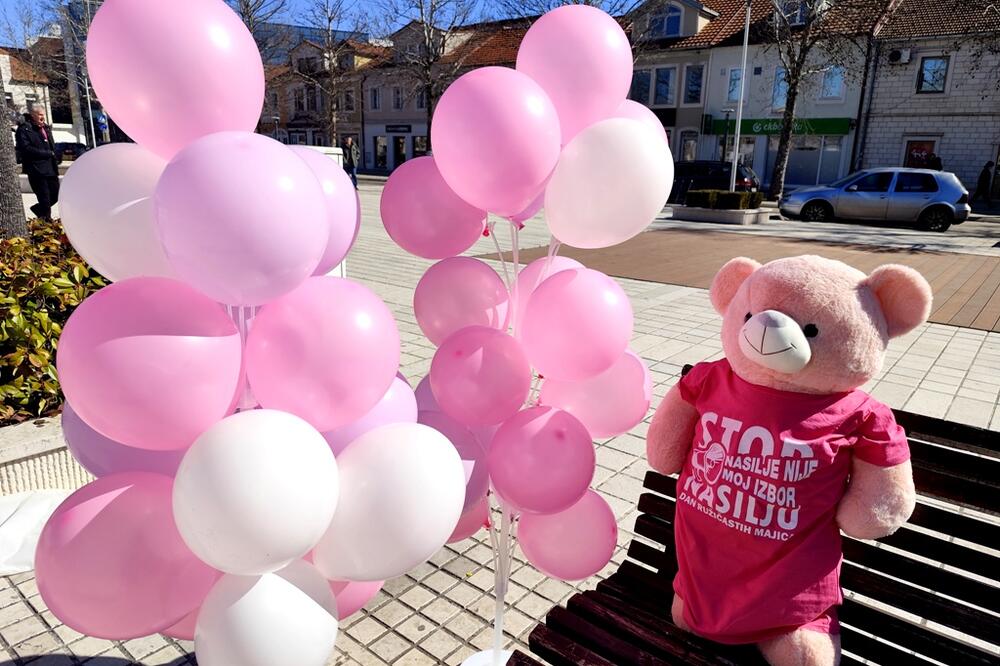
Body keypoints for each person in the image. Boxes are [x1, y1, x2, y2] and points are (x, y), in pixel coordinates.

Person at [15, 106, 61, 221]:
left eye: (43, 114)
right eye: (40, 114)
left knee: (56, 194)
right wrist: (47, 153)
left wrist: (55, 155)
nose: (42, 117)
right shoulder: (24, 129)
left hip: (50, 168)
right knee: (44, 198)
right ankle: (46, 223)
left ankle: (38, 210)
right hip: (36, 169)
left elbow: (51, 145)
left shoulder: (46, 128)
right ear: (32, 115)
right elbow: (26, 149)